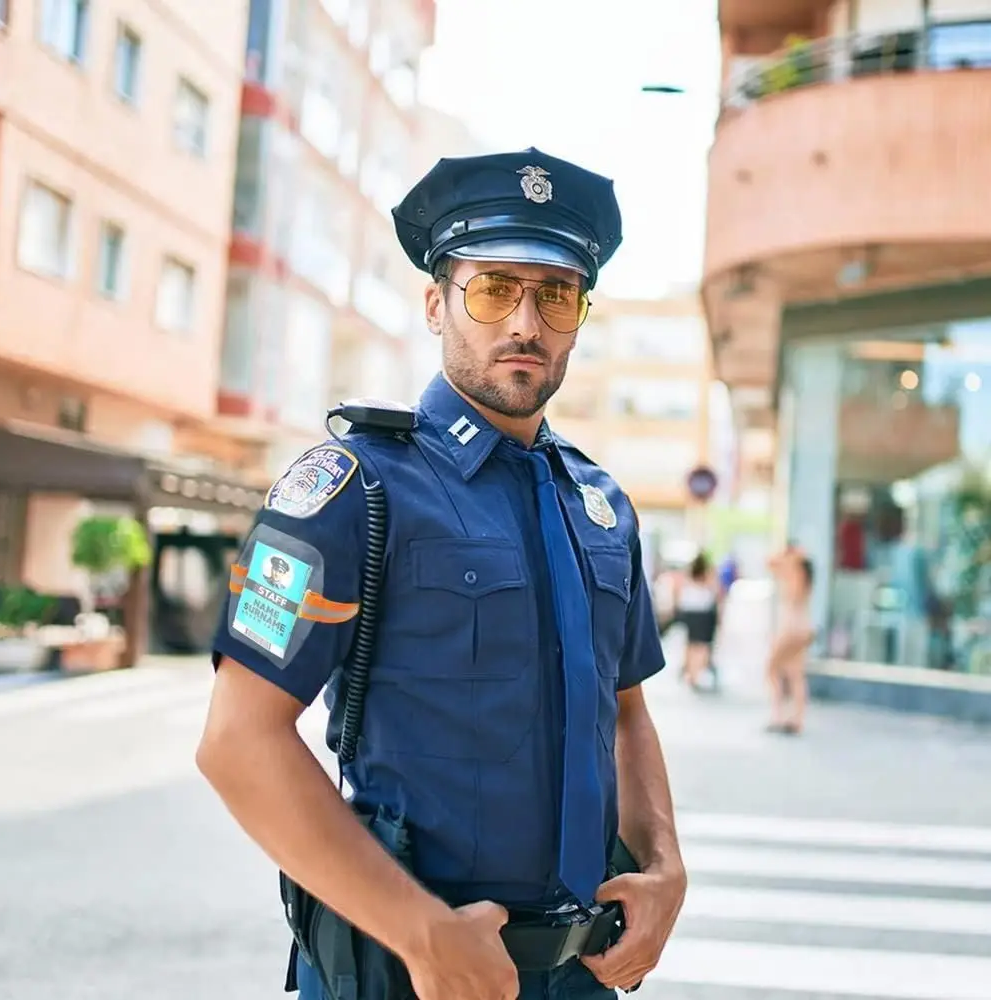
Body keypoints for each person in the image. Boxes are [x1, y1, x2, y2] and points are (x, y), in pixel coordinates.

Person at [195, 147, 687, 1000]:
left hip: (583, 974)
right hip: (405, 972)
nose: (525, 322)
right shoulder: (353, 488)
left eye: (556, 294)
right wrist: (421, 934)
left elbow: (626, 706)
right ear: (436, 303)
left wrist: (665, 867)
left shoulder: (601, 505)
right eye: (493, 288)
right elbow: (238, 742)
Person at [766, 542, 815, 734]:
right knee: (795, 673)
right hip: (804, 626)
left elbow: (769, 561)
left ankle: (778, 715)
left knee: (771, 668)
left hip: (791, 627)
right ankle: (796, 718)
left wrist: (789, 554)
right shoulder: (806, 575)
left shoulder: (793, 572)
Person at [673, 553, 721, 689]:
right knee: (702, 645)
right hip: (704, 611)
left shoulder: (688, 573)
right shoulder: (709, 574)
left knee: (691, 643)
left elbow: (679, 590)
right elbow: (716, 592)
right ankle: (695, 673)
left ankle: (690, 673)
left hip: (689, 610)